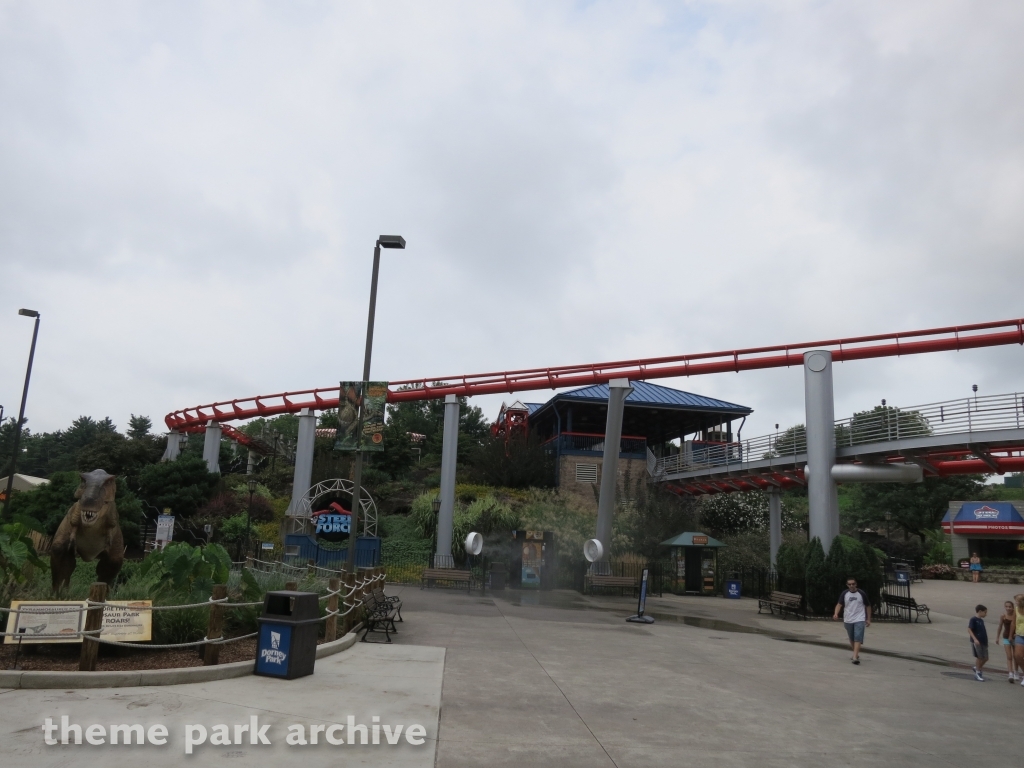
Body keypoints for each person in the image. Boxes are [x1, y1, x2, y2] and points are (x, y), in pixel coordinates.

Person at [833, 577, 871, 665]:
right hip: (848, 619)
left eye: (853, 584)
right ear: (847, 585)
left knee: (858, 637)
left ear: (856, 584)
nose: (851, 586)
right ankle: (855, 653)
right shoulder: (845, 594)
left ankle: (854, 657)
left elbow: (868, 606)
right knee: (852, 637)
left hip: (859, 618)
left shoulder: (861, 593)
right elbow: (839, 604)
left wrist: (868, 619)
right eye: (849, 584)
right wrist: (836, 613)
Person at [996, 600, 1019, 683]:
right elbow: (1000, 626)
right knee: (1009, 656)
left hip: (1015, 637)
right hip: (1006, 637)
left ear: (1013, 607)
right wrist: (997, 637)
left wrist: (1017, 633)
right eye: (1006, 606)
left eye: (1010, 607)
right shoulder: (1003, 616)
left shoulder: (1016, 615)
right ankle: (1010, 673)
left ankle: (1016, 672)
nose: (1008, 608)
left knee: (1016, 656)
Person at [968, 605, 989, 681]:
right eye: (985, 612)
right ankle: (978, 672)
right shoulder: (973, 619)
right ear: (980, 611)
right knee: (979, 657)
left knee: (985, 658)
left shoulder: (981, 620)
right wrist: (975, 639)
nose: (986, 614)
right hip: (977, 641)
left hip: (983, 641)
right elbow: (969, 629)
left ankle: (977, 667)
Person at [1014, 594, 1024, 687]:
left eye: (1017, 600)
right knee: (1018, 656)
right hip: (1020, 635)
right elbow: (1014, 622)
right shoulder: (1016, 609)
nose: (1015, 602)